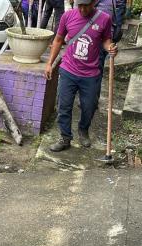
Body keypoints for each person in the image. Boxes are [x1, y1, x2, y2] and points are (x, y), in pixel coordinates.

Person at [44, 0, 118, 151]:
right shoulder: (67, 16)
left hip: (91, 73)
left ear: (94, 2)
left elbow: (106, 40)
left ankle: (83, 130)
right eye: (80, 5)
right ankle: (65, 138)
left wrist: (110, 48)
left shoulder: (104, 19)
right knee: (64, 106)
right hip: (68, 70)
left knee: (89, 107)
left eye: (87, 5)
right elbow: (58, 40)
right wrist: (49, 63)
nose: (83, 9)